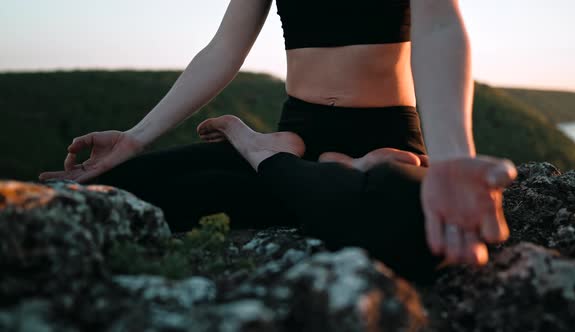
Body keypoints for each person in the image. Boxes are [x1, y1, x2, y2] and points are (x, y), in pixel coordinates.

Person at [39, 0, 517, 278]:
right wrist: (135, 139)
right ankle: (308, 169)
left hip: (385, 129)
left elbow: (439, 26)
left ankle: (267, 158)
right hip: (301, 131)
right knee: (123, 189)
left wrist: (453, 159)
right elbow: (224, 48)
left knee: (419, 231)